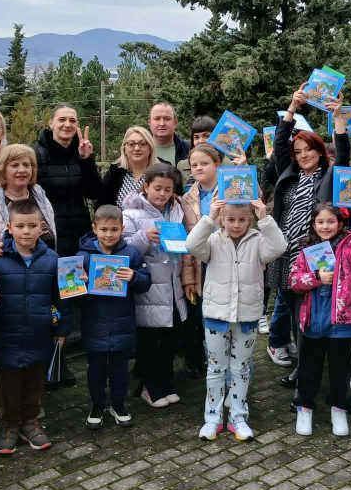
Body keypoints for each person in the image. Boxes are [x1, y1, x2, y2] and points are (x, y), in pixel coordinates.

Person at [265, 83, 351, 374]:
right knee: (294, 313)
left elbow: (343, 154)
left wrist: (338, 118)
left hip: (316, 255)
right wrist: (292, 109)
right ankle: (302, 369)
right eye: (298, 151)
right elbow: (279, 145)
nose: (303, 155)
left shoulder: (330, 176)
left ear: (319, 151)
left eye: (309, 149)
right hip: (285, 254)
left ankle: (311, 368)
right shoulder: (289, 174)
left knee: (312, 311)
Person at [186, 197, 287, 441]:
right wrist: (210, 217)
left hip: (247, 316)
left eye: (242, 220)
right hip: (216, 316)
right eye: (230, 219)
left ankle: (238, 416)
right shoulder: (213, 239)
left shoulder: (258, 240)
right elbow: (192, 244)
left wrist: (265, 219)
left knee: (241, 369)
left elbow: (279, 247)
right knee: (215, 369)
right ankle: (212, 418)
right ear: (222, 220)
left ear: (250, 220)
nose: (236, 224)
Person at [288, 198, 351, 437]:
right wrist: (317, 278)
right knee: (309, 368)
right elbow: (294, 281)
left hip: (343, 321)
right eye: (320, 222)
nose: (325, 226)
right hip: (313, 320)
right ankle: (305, 407)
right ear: (313, 224)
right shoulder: (306, 250)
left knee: (340, 369)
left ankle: (338, 408)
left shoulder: (350, 247)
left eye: (330, 221)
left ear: (340, 224)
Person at [0, 200, 72, 454]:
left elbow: (62, 297)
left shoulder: (53, 259)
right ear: (9, 227)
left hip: (39, 334)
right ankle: (10, 425)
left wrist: (62, 330)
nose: (26, 231)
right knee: (9, 386)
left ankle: (30, 422)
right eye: (20, 226)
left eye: (32, 226)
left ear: (41, 227)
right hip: (7, 336)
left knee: (35, 384)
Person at [34, 104, 100, 387]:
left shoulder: (79, 153)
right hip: (50, 238)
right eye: (62, 119)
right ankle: (50, 364)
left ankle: (60, 362)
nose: (67, 124)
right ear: (51, 123)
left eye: (72, 120)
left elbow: (94, 192)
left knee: (71, 294)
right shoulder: (37, 154)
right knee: (51, 299)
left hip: (77, 237)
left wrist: (87, 160)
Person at [77, 206, 152, 429]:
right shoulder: (83, 256)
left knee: (120, 370)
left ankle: (118, 405)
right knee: (96, 370)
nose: (109, 234)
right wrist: (79, 282)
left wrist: (134, 276)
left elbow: (146, 282)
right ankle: (97, 405)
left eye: (114, 229)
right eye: (103, 229)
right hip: (94, 323)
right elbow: (70, 291)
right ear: (94, 228)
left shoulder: (132, 254)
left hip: (123, 324)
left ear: (122, 228)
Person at [122, 164, 189, 407]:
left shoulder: (177, 210)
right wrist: (143, 238)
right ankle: (149, 387)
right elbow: (123, 249)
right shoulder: (130, 214)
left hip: (173, 285)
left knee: (169, 338)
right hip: (149, 287)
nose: (162, 194)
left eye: (167, 189)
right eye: (157, 188)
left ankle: (165, 383)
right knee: (150, 341)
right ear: (146, 186)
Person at [179, 143, 223, 376]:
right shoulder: (187, 199)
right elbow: (187, 242)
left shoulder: (230, 189)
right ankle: (212, 366)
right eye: (194, 164)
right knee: (204, 319)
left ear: (217, 164)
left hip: (225, 262)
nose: (198, 168)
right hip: (199, 267)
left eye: (204, 163)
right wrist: (188, 279)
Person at [0, 143, 57, 256]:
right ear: (3, 170)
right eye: (15, 165)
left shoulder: (41, 197)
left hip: (46, 264)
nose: (22, 170)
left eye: (26, 165)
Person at [98, 126, 160, 209]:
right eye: (131, 144)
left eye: (142, 144)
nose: (137, 148)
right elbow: (102, 205)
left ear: (150, 148)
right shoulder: (115, 173)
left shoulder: (161, 173)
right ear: (124, 149)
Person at [176, 116, 217, 185]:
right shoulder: (182, 166)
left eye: (206, 136)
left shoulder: (230, 163)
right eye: (196, 137)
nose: (200, 141)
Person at [148, 101, 190, 167]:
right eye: (157, 118)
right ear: (149, 123)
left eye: (167, 119)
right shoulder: (139, 151)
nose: (162, 124)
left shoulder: (189, 149)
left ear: (175, 123)